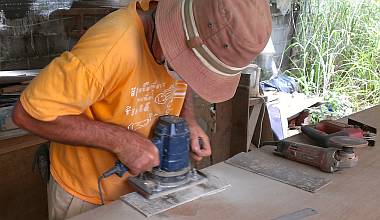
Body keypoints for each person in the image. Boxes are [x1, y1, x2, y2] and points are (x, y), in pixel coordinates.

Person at [12, 0, 272, 219]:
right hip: (88, 192)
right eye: (190, 66)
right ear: (176, 35)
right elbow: (27, 114)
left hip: (142, 188)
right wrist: (121, 141)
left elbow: (185, 75)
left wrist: (188, 118)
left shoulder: (184, 28)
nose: (188, 74)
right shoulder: (111, 47)